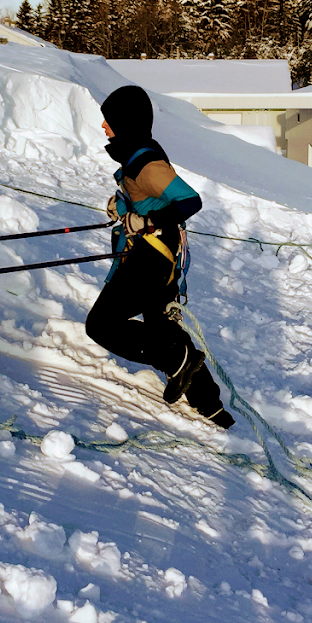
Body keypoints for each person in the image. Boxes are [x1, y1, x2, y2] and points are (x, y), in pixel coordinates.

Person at [85, 84, 234, 428]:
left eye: (108, 120)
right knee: (159, 324)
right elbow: (148, 197)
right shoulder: (134, 153)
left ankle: (175, 358)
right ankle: (208, 404)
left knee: (102, 324)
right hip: (157, 252)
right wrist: (122, 208)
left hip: (152, 256)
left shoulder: (146, 162)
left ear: (125, 121)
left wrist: (147, 220)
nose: (104, 127)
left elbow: (188, 201)